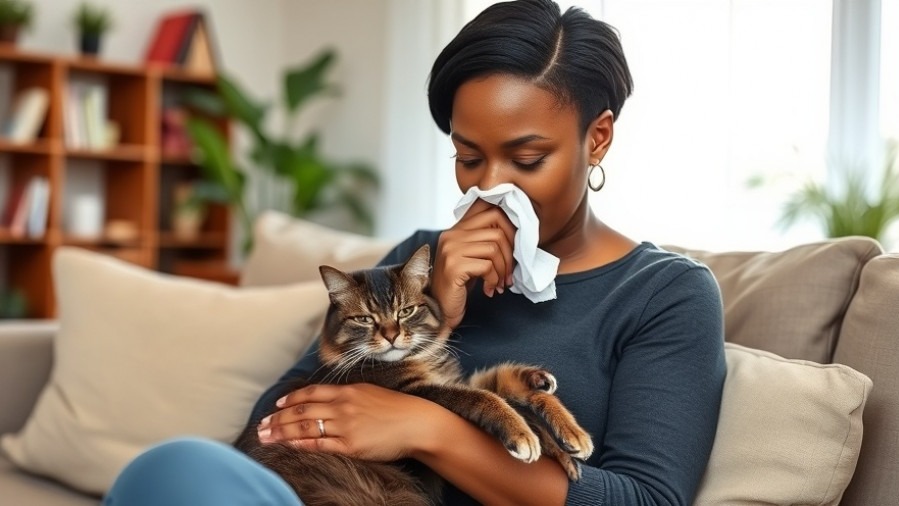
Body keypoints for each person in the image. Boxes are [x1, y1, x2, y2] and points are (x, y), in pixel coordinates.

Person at [105, 0, 725, 504]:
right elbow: (272, 424)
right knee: (175, 469)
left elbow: (645, 498)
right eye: (468, 157)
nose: (490, 188)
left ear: (598, 138)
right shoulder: (420, 263)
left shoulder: (665, 294)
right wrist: (439, 315)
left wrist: (429, 429)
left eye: (527, 159)